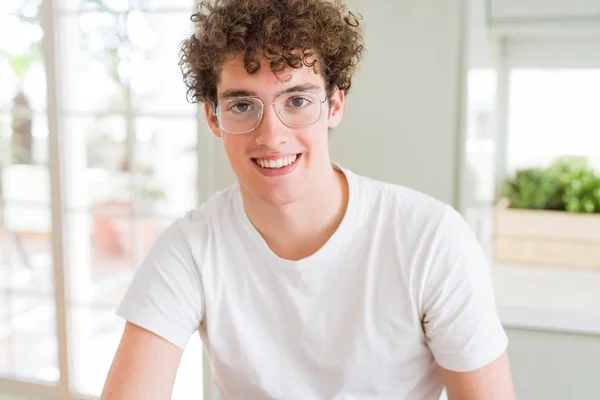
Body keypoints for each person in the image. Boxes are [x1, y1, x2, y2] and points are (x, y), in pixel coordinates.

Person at [101, 0, 516, 399]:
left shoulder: (431, 240)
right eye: (243, 105)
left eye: (297, 100)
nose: (271, 136)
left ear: (334, 105)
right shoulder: (190, 248)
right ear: (213, 117)